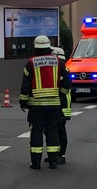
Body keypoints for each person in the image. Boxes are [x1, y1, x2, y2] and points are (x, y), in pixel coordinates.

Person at [19, 35, 71, 170]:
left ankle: (35, 163)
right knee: (52, 131)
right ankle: (53, 161)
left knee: (36, 132)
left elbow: (25, 85)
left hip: (36, 106)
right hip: (54, 105)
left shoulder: (30, 63)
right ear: (49, 47)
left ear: (35, 48)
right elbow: (67, 80)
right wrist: (61, 93)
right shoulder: (58, 62)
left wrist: (23, 101)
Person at [45, 47, 71, 165]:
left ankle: (61, 155)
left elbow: (65, 87)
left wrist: (58, 95)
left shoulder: (61, 69)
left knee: (59, 131)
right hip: (59, 105)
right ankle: (55, 154)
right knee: (53, 131)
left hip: (62, 106)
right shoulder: (60, 68)